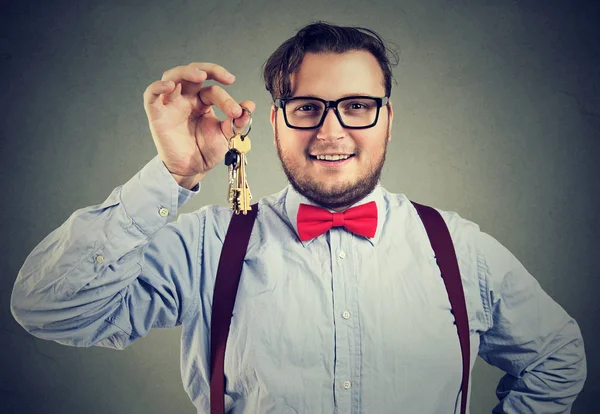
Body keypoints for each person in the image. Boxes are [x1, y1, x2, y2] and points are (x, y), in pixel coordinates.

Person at [10, 22, 586, 413]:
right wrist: (172, 173)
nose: (331, 131)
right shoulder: (208, 244)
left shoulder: (459, 248)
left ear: (388, 118)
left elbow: (556, 359)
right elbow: (50, 311)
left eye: (358, 107)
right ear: (275, 120)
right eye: (308, 107)